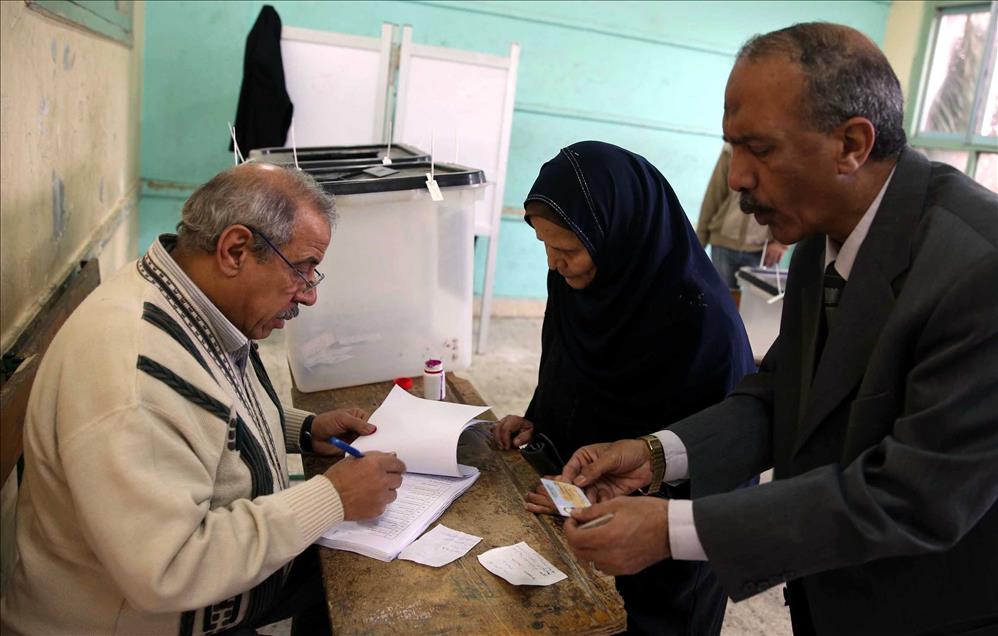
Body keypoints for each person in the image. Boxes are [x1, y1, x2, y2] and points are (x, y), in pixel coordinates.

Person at [554, 23, 998, 636]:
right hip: (831, 592)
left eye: (759, 149)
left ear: (851, 145)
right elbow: (783, 394)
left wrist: (675, 529)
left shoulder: (978, 269)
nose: (736, 177)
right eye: (732, 147)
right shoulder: (822, 237)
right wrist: (655, 454)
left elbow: (915, 497)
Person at [1, 163, 407, 635]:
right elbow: (170, 568)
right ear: (234, 250)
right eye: (302, 268)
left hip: (203, 594)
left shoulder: (182, 297)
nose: (309, 296)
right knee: (375, 587)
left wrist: (302, 430)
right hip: (136, 619)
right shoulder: (132, 375)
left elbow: (201, 408)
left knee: (356, 574)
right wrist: (333, 497)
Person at [492, 141, 756, 635]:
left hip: (663, 547)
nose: (553, 263)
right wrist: (539, 419)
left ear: (621, 235)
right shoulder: (574, 283)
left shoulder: (703, 323)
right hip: (575, 504)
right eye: (545, 245)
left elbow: (725, 461)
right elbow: (567, 366)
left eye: (568, 250)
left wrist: (626, 498)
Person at [697, 143, 788, 287]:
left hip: (762, 250)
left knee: (756, 300)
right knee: (721, 298)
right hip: (723, 245)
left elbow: (791, 197)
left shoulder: (782, 149)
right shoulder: (730, 148)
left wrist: (781, 244)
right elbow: (714, 194)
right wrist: (698, 244)